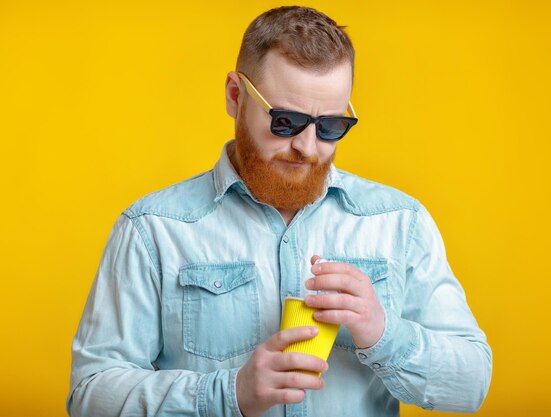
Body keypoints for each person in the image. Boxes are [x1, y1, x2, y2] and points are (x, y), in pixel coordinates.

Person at [68, 6, 492, 417]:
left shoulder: (400, 223)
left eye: (330, 127)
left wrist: (384, 334)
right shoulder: (152, 230)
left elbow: (471, 384)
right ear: (236, 96)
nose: (307, 148)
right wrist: (229, 394)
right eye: (285, 122)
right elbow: (90, 396)